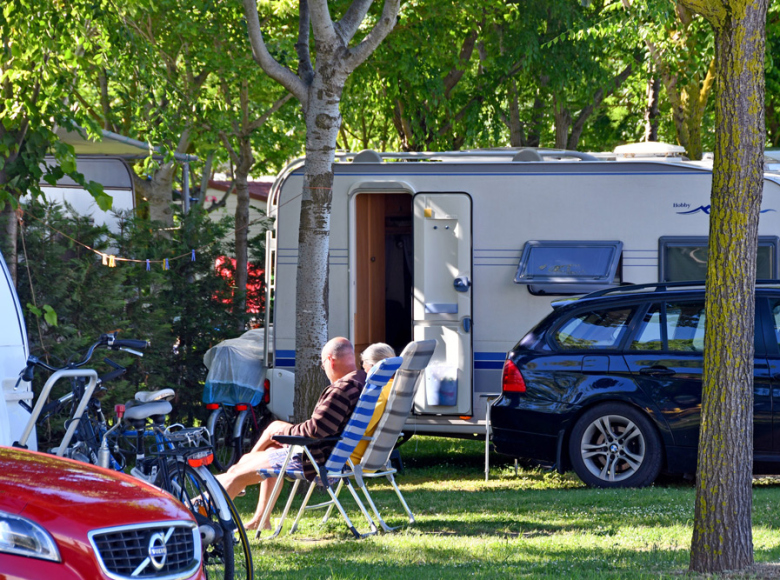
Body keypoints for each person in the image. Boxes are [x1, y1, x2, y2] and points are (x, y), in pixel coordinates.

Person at [215, 337, 366, 530]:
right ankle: (261, 519)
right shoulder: (359, 382)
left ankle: (203, 519)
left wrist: (286, 431)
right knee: (269, 439)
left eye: (322, 364)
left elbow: (315, 431)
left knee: (237, 474)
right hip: (331, 455)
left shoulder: (341, 390)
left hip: (314, 459)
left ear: (330, 360)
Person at [349, 342, 396, 465]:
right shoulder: (395, 388)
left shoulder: (378, 392)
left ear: (373, 365)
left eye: (363, 362)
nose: (363, 367)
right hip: (378, 455)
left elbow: (362, 427)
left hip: (354, 456)